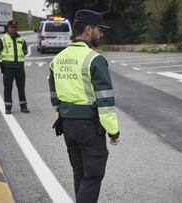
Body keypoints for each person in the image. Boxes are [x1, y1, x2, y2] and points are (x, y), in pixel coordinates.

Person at [48, 10, 120, 203]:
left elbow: (54, 97)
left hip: (68, 125)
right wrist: (113, 131)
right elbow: (105, 100)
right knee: (93, 176)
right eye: (99, 29)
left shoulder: (58, 59)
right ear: (88, 30)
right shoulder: (94, 59)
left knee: (80, 175)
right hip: (89, 127)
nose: (101, 34)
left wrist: (63, 114)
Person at [0, 20, 30, 114]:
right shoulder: (2, 39)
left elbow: (25, 52)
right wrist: (5, 57)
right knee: (8, 88)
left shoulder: (21, 39)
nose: (14, 29)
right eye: (12, 27)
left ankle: (23, 107)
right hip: (8, 67)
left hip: (20, 68)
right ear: (8, 28)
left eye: (15, 27)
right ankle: (8, 108)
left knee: (21, 88)